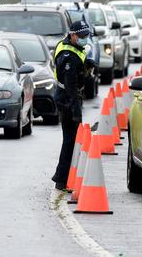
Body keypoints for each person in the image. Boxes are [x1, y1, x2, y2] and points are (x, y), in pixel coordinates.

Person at [51, 20, 91, 190]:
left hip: (66, 97)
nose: (84, 39)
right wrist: (75, 110)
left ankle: (65, 177)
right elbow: (71, 86)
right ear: (73, 34)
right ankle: (62, 179)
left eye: (86, 36)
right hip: (67, 100)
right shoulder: (69, 56)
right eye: (81, 36)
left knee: (71, 140)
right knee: (70, 140)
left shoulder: (67, 45)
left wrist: (87, 66)